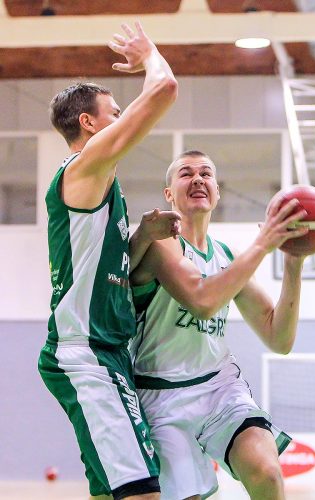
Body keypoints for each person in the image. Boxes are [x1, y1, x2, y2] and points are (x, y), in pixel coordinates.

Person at [37, 22, 181, 500]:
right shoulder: (84, 168)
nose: (122, 119)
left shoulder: (103, 186)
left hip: (110, 350)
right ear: (89, 123)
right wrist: (150, 54)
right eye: (115, 113)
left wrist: (142, 235)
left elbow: (110, 264)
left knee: (111, 491)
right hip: (87, 352)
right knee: (142, 492)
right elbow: (164, 89)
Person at [130, 150, 309, 500]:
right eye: (186, 173)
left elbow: (280, 338)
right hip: (161, 395)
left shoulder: (225, 255)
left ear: (217, 191)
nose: (198, 179)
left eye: (206, 173)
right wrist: (263, 243)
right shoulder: (161, 244)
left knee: (267, 473)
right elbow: (203, 302)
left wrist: (293, 264)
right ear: (169, 194)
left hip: (220, 388)